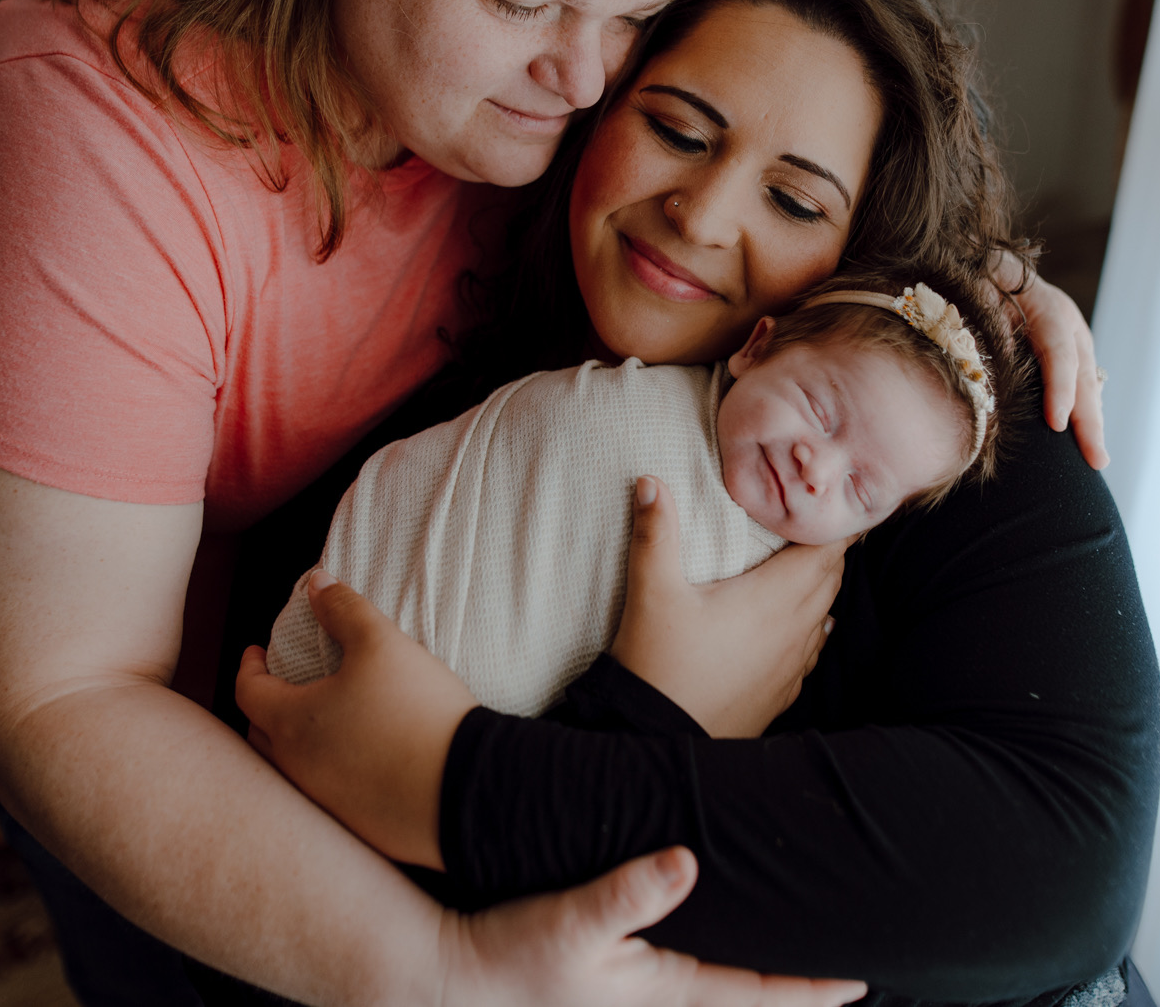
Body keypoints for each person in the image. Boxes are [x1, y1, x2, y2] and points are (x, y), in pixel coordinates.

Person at [228, 0, 1157, 1007]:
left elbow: (1060, 877)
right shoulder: (456, 444)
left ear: (863, 252)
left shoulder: (955, 432)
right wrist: (639, 711)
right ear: (595, 109)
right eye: (675, 130)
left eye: (796, 200)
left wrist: (456, 785)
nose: (702, 215)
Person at [264, 265, 1018, 718]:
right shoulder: (626, 403)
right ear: (757, 347)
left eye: (861, 486)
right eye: (820, 410)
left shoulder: (780, 601)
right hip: (361, 618)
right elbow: (511, 462)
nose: (816, 467)